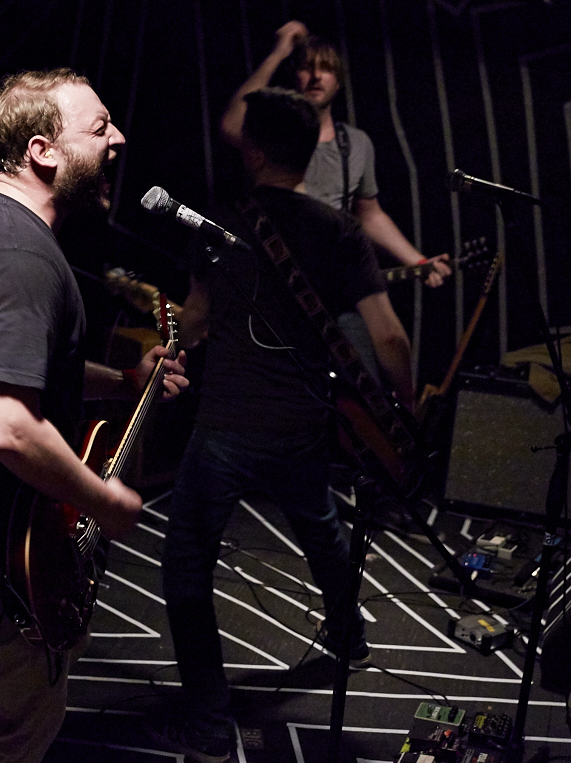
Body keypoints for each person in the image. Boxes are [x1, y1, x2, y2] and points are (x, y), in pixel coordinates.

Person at [0, 68, 188, 763]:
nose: (117, 138)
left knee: (20, 694)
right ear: (43, 150)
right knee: (20, 723)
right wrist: (104, 499)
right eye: (99, 128)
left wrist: (123, 381)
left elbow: (16, 369)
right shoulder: (17, 255)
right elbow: (7, 424)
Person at [146, 88, 413, 763]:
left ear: (254, 150)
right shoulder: (338, 231)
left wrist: (166, 342)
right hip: (301, 424)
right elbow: (389, 340)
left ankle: (208, 725)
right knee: (320, 524)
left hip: (226, 430)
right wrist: (408, 411)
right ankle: (349, 635)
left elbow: (196, 321)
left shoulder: (220, 227)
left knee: (184, 569)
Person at [220, 22, 451, 288]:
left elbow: (370, 215)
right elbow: (232, 125)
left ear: (339, 81)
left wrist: (418, 261)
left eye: (327, 69)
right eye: (307, 67)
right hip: (273, 277)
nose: (316, 76)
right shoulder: (275, 133)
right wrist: (278, 54)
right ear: (293, 75)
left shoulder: (355, 143)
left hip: (331, 284)